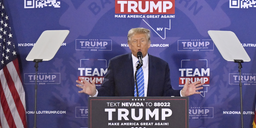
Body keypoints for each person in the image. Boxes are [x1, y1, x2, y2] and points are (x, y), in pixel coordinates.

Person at [76, 28, 204, 98]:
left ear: (149, 44)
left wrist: (182, 93)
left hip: (152, 125)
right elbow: (108, 91)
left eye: (142, 41)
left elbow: (166, 94)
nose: (138, 45)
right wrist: (94, 93)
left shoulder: (161, 66)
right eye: (134, 41)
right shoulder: (116, 64)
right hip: (121, 125)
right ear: (128, 44)